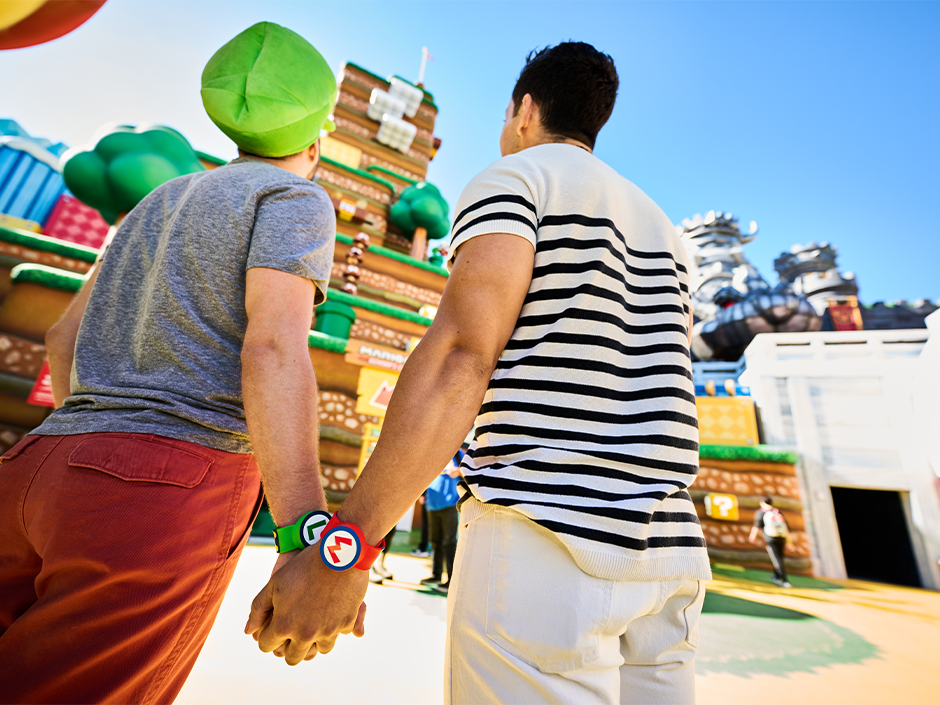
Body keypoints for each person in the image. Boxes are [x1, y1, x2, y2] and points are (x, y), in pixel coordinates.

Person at [247, 41, 709, 704]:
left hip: (546, 538)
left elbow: (464, 354)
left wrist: (345, 548)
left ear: (524, 110)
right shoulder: (667, 231)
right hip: (670, 558)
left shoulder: (518, 178)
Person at [0, 22, 350, 703]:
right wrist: (303, 530)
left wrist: (87, 437)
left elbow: (62, 337)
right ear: (317, 137)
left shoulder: (158, 200)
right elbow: (274, 346)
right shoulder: (295, 198)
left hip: (37, 467)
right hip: (165, 486)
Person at [419, 450, 464, 594]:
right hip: (432, 502)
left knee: (450, 542)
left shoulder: (460, 454)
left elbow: (472, 471)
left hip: (450, 503)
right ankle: (436, 575)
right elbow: (423, 473)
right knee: (435, 541)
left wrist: (459, 471)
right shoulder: (435, 450)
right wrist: (422, 494)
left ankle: (452, 580)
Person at [749, 496, 793, 587]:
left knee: (776, 559)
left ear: (762, 502)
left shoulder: (761, 512)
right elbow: (786, 528)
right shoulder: (777, 511)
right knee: (779, 558)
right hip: (781, 537)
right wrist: (789, 542)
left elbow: (757, 526)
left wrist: (752, 536)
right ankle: (776, 576)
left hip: (770, 538)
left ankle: (785, 581)